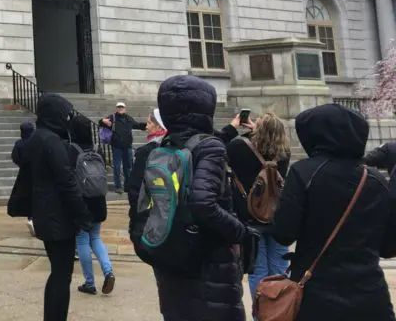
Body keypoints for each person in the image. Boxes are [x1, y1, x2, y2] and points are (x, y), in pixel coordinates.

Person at [271, 103, 396, 321]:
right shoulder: (376, 179)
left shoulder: (304, 173)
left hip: (316, 297)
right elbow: (388, 247)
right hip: (370, 297)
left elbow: (283, 232)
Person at [153, 75, 247, 321]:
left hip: (171, 254)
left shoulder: (163, 146)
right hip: (209, 259)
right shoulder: (211, 147)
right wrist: (238, 231)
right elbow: (203, 202)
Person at [21, 93, 92, 321]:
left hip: (43, 213)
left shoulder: (35, 138)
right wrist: (82, 215)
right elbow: (67, 182)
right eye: (65, 114)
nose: (68, 118)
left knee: (58, 272)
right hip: (57, 217)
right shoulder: (51, 141)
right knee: (62, 275)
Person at [221, 111, 291, 311]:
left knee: (257, 271)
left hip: (250, 217)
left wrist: (233, 128)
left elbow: (217, 147)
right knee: (279, 268)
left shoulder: (237, 147)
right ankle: (280, 312)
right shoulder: (284, 152)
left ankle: (261, 313)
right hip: (277, 217)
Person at [69, 112, 115, 296]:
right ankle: (108, 270)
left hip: (81, 201)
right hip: (98, 200)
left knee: (82, 240)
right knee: (96, 237)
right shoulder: (98, 149)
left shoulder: (71, 149)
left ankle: (89, 282)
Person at [126, 108, 167, 243]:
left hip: (148, 215)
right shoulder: (174, 148)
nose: (146, 126)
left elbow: (135, 187)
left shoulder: (146, 152)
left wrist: (136, 216)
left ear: (158, 127)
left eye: (149, 123)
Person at [102, 101, 146, 193]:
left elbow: (137, 125)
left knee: (128, 168)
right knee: (117, 167)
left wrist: (148, 125)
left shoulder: (129, 118)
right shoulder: (112, 117)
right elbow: (101, 123)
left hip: (127, 147)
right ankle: (118, 187)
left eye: (122, 107)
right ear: (116, 108)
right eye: (118, 107)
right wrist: (103, 121)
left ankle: (127, 186)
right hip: (116, 147)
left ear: (125, 109)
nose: (120, 108)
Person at [12, 120, 36, 236]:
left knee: (28, 196)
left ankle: (31, 218)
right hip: (38, 172)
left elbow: (15, 157)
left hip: (25, 174)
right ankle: (36, 219)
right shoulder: (37, 142)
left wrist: (23, 164)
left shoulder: (19, 144)